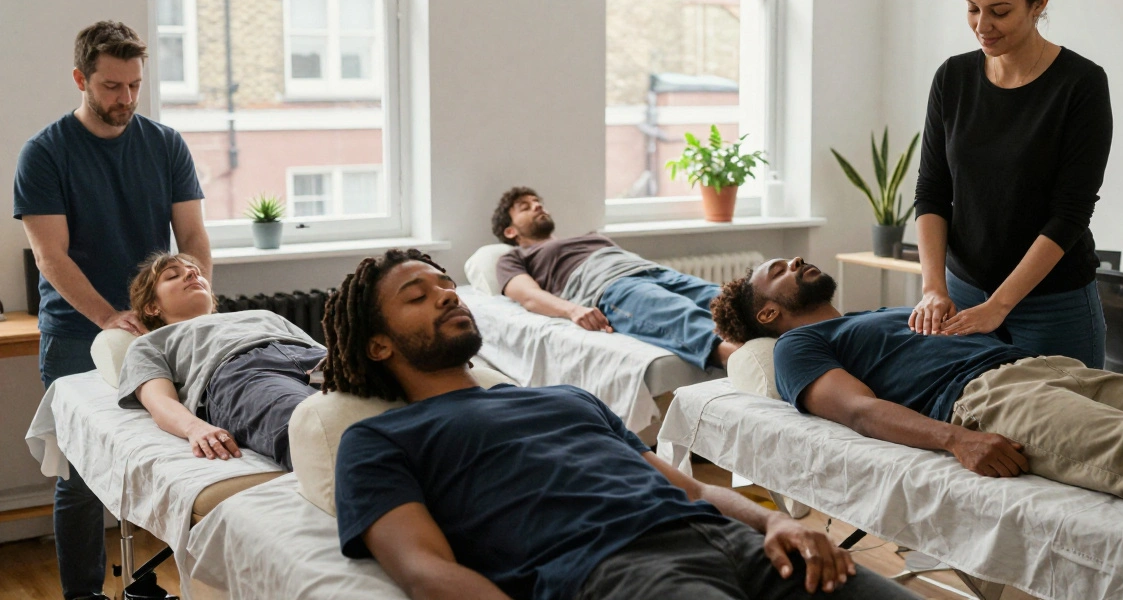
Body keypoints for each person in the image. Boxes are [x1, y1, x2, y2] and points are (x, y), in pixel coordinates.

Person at [321, 249, 917, 600]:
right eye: (417, 295)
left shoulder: (565, 398)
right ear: (377, 345)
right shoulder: (376, 440)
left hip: (740, 543)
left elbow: (696, 488)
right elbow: (424, 570)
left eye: (446, 285)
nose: (447, 295)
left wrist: (773, 522)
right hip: (617, 571)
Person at [711, 257, 1123, 569]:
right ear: (766, 312)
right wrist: (957, 439)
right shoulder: (794, 349)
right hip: (989, 399)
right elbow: (859, 411)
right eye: (780, 270)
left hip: (1052, 368)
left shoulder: (873, 313)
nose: (797, 262)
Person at [12, 21, 211, 600]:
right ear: (81, 79)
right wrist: (106, 316)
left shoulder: (166, 143)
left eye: (134, 86)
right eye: (110, 86)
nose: (124, 99)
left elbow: (193, 235)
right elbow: (50, 255)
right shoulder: (45, 153)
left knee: (181, 453)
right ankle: (82, 595)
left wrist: (190, 307)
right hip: (79, 330)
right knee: (78, 480)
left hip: (158, 326)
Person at [911, 0, 1112, 368]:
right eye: (972, 9)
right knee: (971, 433)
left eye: (999, 11)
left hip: (1053, 305)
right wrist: (933, 289)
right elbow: (932, 191)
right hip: (961, 295)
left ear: (1038, 3)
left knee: (1063, 437)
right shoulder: (953, 78)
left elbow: (1070, 214)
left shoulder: (1080, 84)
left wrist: (1000, 305)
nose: (983, 25)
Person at [490, 186, 738, 369]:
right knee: (679, 313)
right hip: (611, 287)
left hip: (656, 272)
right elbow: (529, 296)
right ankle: (744, 361)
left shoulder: (590, 237)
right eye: (526, 206)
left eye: (538, 201)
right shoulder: (512, 258)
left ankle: (775, 340)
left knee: (731, 300)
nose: (538, 206)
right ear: (510, 231)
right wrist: (573, 310)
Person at [116, 252, 323, 470]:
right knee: (310, 424)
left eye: (194, 271)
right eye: (173, 276)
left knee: (360, 400)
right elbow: (158, 400)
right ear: (152, 307)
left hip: (311, 358)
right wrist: (194, 428)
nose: (191, 273)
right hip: (243, 373)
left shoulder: (264, 315)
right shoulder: (150, 342)